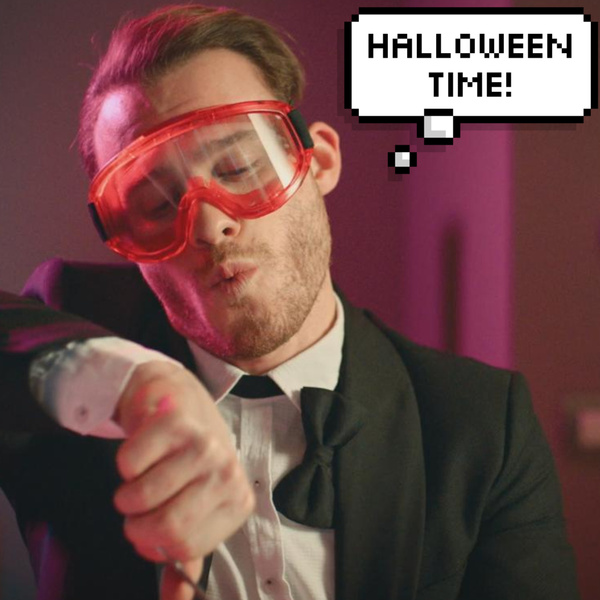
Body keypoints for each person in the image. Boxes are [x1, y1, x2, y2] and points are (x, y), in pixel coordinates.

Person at [0, 5, 579, 600]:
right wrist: (128, 382)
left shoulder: (481, 425)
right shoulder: (72, 350)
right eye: (155, 205)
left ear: (319, 161)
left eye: (239, 166)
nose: (209, 225)